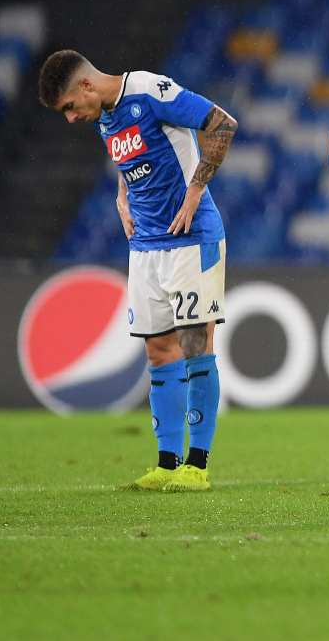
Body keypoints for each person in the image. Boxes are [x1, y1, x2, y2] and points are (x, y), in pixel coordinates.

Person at [39, 50, 236, 491]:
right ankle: (166, 464)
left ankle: (197, 465)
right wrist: (122, 194)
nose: (71, 118)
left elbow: (223, 123)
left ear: (86, 85)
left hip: (191, 237)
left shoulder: (149, 90)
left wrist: (195, 191)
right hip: (145, 246)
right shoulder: (106, 116)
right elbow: (132, 156)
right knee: (158, 352)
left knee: (195, 346)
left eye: (70, 106)